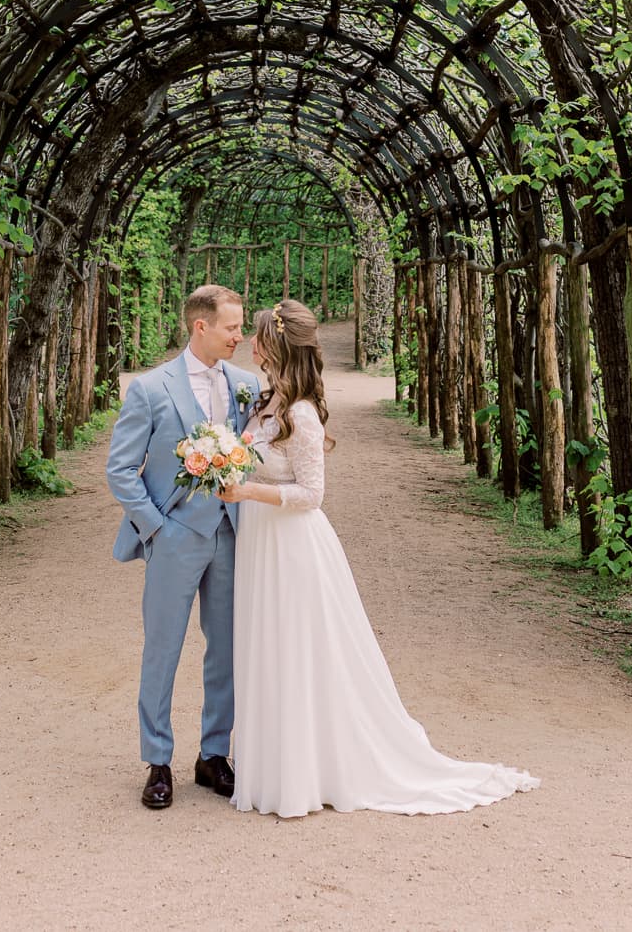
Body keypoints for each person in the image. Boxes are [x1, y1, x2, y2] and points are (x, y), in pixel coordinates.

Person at [217, 297, 540, 818]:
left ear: (274, 344)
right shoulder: (266, 400)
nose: (251, 344)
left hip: (292, 547)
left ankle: (305, 772)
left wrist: (247, 491)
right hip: (262, 544)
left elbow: (311, 494)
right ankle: (278, 765)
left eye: (257, 335)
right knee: (269, 648)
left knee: (299, 651)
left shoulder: (300, 413)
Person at [106, 283, 261, 810]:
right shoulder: (150, 390)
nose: (241, 336)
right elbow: (121, 470)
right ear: (202, 327)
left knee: (227, 650)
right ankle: (158, 761)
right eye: (232, 327)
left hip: (232, 535)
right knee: (163, 650)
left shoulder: (246, 385)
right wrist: (155, 528)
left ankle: (214, 755)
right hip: (174, 538)